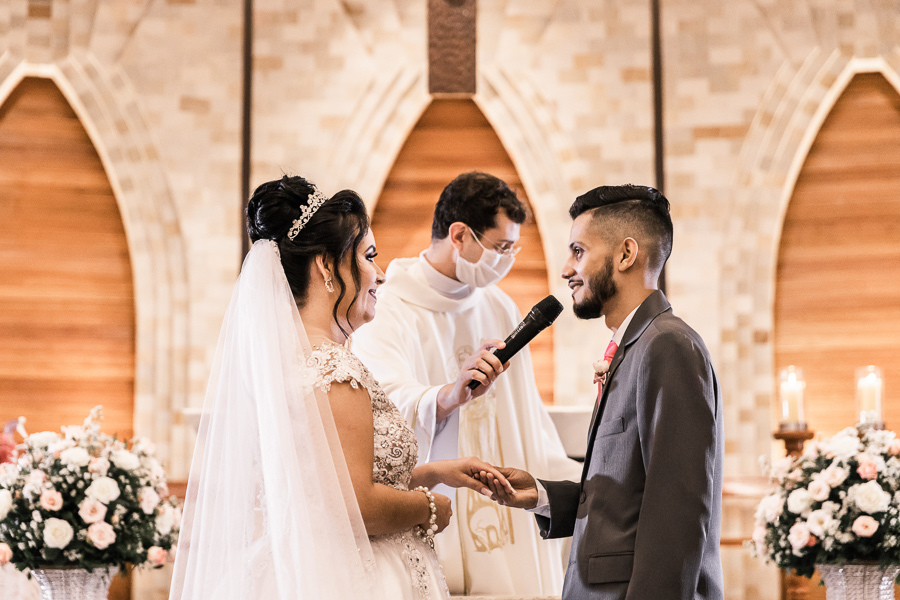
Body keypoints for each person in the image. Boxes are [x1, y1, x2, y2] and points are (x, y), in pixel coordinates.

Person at [169, 175, 512, 600]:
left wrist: (436, 472)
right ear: (326, 266)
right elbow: (355, 507)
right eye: (369, 256)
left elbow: (329, 486)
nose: (380, 275)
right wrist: (430, 507)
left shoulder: (289, 363)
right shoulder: (334, 370)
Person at [480, 185, 724, 600]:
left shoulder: (668, 346)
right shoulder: (636, 346)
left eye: (578, 251)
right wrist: (541, 494)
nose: (565, 269)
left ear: (626, 254)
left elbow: (677, 512)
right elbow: (628, 496)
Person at [353, 171, 582, 595]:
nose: (507, 260)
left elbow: (525, 418)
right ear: (459, 235)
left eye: (513, 249)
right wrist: (447, 396)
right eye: (501, 247)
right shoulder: (389, 306)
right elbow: (381, 407)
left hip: (503, 512)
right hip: (438, 499)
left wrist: (582, 484)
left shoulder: (499, 304)